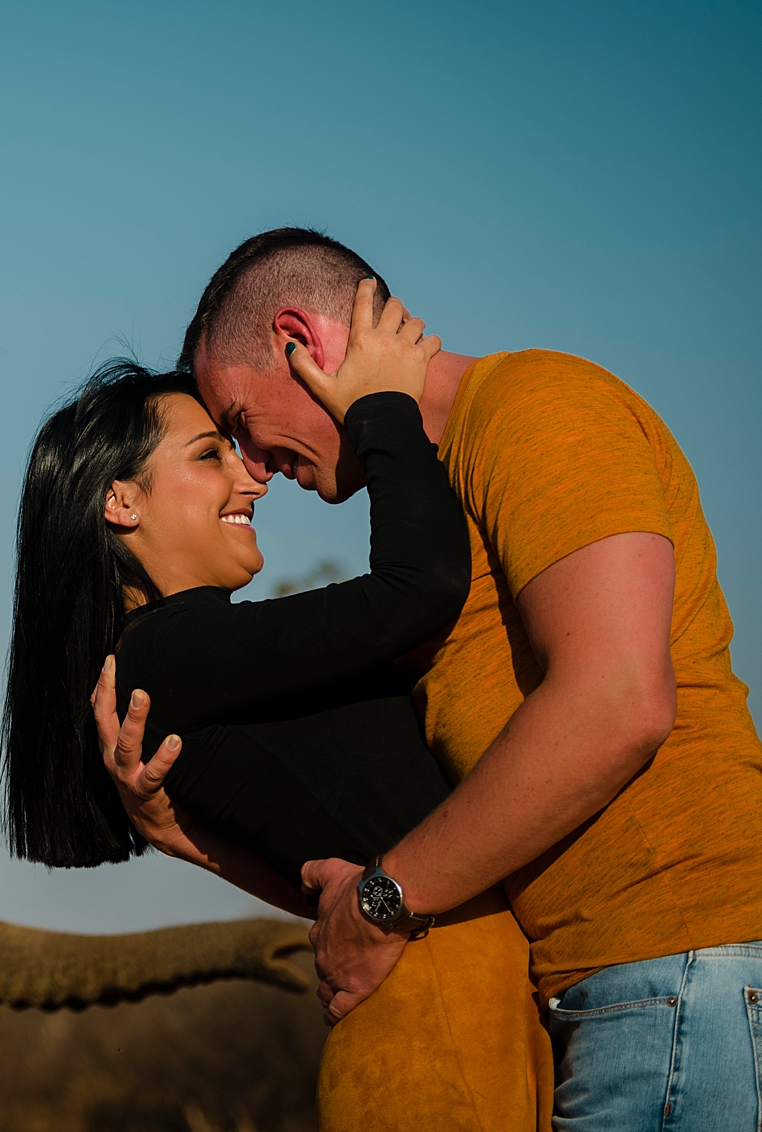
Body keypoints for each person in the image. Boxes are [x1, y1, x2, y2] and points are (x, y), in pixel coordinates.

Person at [157, 227, 762, 1128]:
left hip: (678, 973)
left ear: (302, 340)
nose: (253, 468)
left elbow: (618, 703)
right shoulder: (429, 505)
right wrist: (179, 827)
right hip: (621, 992)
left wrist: (382, 901)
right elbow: (402, 816)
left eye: (241, 425)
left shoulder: (535, 406)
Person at [2, 284, 549, 1131]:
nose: (252, 477)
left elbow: (336, 869)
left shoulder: (191, 659)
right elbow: (418, 589)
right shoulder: (161, 655)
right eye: (209, 456)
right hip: (436, 1035)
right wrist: (382, 407)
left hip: (463, 1017)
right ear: (122, 502)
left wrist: (187, 841)